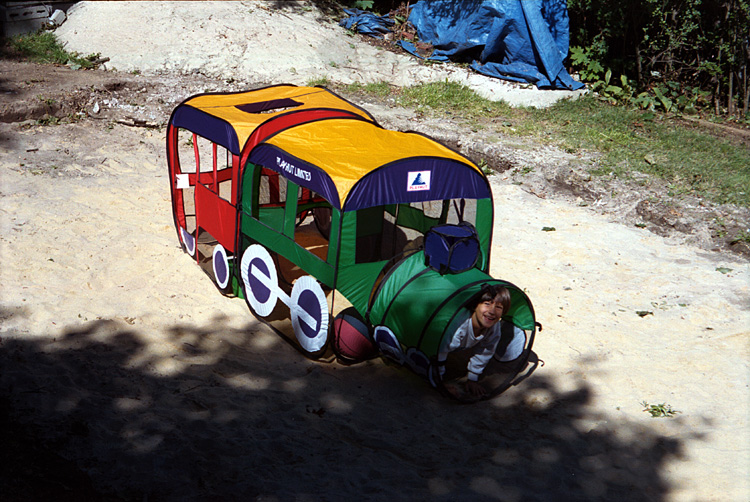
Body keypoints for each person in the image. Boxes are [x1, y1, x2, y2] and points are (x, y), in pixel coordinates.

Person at [437, 284, 511, 398]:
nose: (492, 311)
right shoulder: (457, 326)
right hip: (437, 340)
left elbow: (485, 350)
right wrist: (439, 381)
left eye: (498, 307)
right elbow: (440, 351)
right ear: (475, 306)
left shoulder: (494, 327)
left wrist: (472, 378)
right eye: (487, 304)